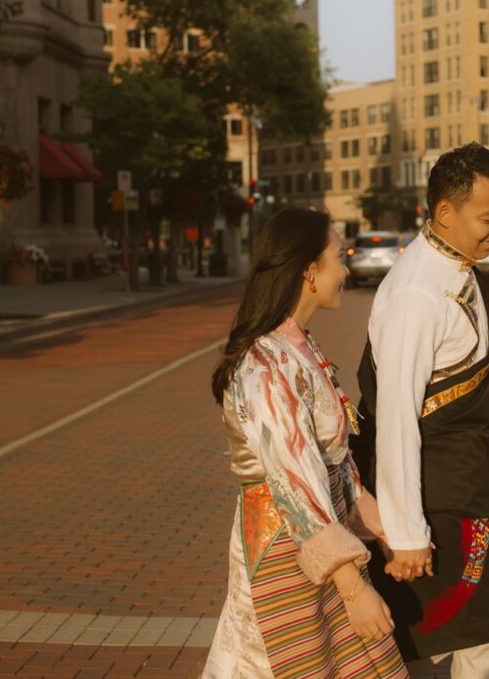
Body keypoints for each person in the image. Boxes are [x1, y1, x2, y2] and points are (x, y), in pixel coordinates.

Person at [202, 208, 408, 679]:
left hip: (316, 541)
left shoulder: (296, 349)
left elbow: (335, 466)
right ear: (309, 272)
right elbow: (295, 483)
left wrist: (385, 531)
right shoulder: (265, 365)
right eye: (339, 257)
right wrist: (354, 588)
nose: (347, 269)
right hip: (284, 548)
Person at [352, 144, 489, 678]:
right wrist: (405, 534)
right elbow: (397, 418)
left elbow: (461, 388)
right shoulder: (416, 293)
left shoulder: (463, 271)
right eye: (488, 217)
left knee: (453, 639)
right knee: (471, 637)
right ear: (446, 213)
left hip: (464, 487)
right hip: (435, 501)